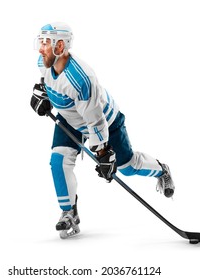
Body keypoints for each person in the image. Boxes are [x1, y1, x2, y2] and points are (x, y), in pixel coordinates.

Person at [30, 22, 175, 239]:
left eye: (46, 43)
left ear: (60, 46)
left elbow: (96, 122)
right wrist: (43, 94)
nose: (41, 48)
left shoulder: (81, 79)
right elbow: (49, 81)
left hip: (106, 122)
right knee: (58, 161)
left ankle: (161, 170)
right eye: (40, 42)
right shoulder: (44, 60)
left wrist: (103, 153)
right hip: (71, 118)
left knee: (127, 167)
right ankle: (69, 213)